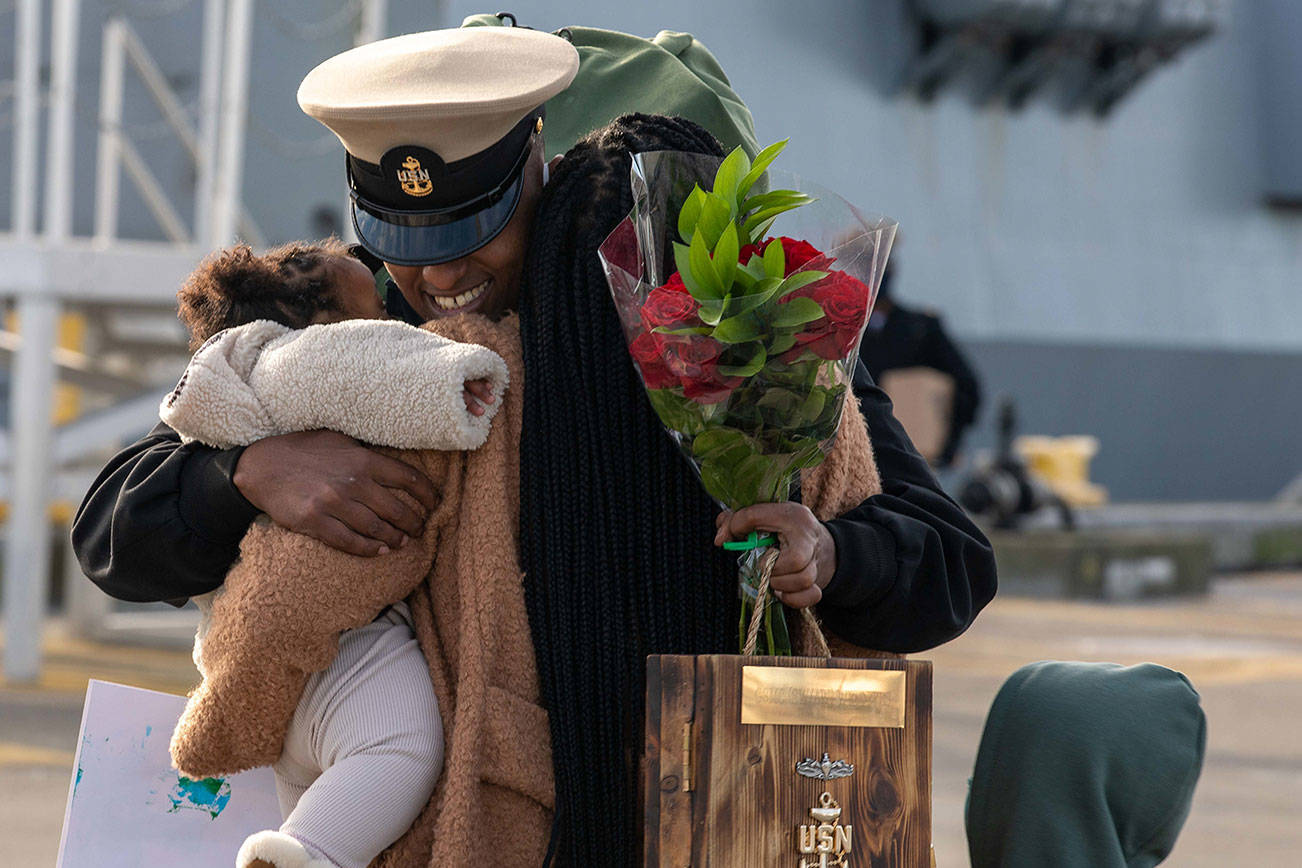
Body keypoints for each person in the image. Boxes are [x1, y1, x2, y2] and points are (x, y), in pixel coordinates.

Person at [72, 25, 997, 865]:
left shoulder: (750, 343)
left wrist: (833, 554)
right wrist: (248, 474)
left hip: (729, 806)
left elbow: (949, 562)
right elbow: (113, 528)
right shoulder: (364, 338)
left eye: (478, 227)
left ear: (541, 172)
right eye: (403, 235)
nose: (440, 273)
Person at [163, 239, 508, 868]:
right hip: (344, 649)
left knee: (315, 800)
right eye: (372, 309)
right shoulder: (302, 361)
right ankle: (305, 852)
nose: (389, 321)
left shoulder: (225, 383)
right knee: (401, 746)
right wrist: (455, 378)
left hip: (257, 662)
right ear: (318, 326)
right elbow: (375, 370)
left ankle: (296, 847)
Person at [859, 263, 983, 468]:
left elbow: (966, 387)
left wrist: (948, 444)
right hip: (855, 453)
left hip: (907, 457)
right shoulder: (843, 326)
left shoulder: (920, 329)